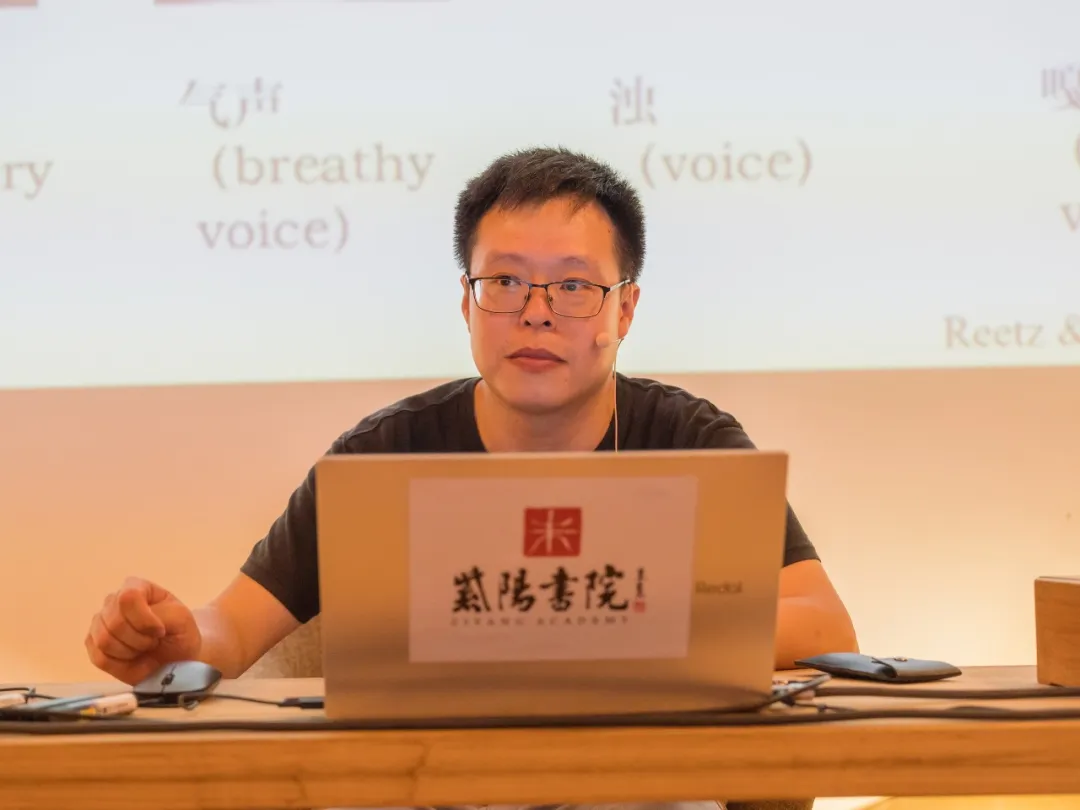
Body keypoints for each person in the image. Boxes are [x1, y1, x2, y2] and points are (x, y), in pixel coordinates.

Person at [86, 146, 858, 688]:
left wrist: (613, 627)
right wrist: (177, 640)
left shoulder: (691, 442)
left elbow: (825, 628)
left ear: (624, 310)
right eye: (506, 282)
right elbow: (231, 630)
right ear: (466, 303)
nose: (535, 312)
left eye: (573, 286)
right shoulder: (385, 454)